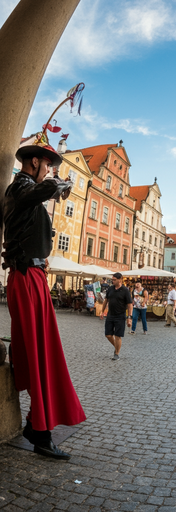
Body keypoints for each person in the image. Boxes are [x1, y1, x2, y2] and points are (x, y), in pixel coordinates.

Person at [3, 134, 86, 460]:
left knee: (43, 352)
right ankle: (39, 431)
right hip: (26, 279)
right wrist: (60, 184)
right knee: (41, 355)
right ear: (34, 162)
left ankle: (37, 426)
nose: (48, 170)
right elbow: (42, 190)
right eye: (47, 165)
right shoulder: (20, 187)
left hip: (31, 276)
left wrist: (40, 254)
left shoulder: (25, 193)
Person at [101, 272, 133, 360]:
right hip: (110, 315)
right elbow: (106, 300)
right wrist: (102, 311)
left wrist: (129, 317)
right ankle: (117, 347)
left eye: (114, 280)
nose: (112, 281)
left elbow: (130, 305)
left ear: (120, 280)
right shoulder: (110, 289)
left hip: (120, 316)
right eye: (112, 279)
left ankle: (116, 353)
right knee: (108, 335)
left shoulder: (125, 290)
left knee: (117, 336)